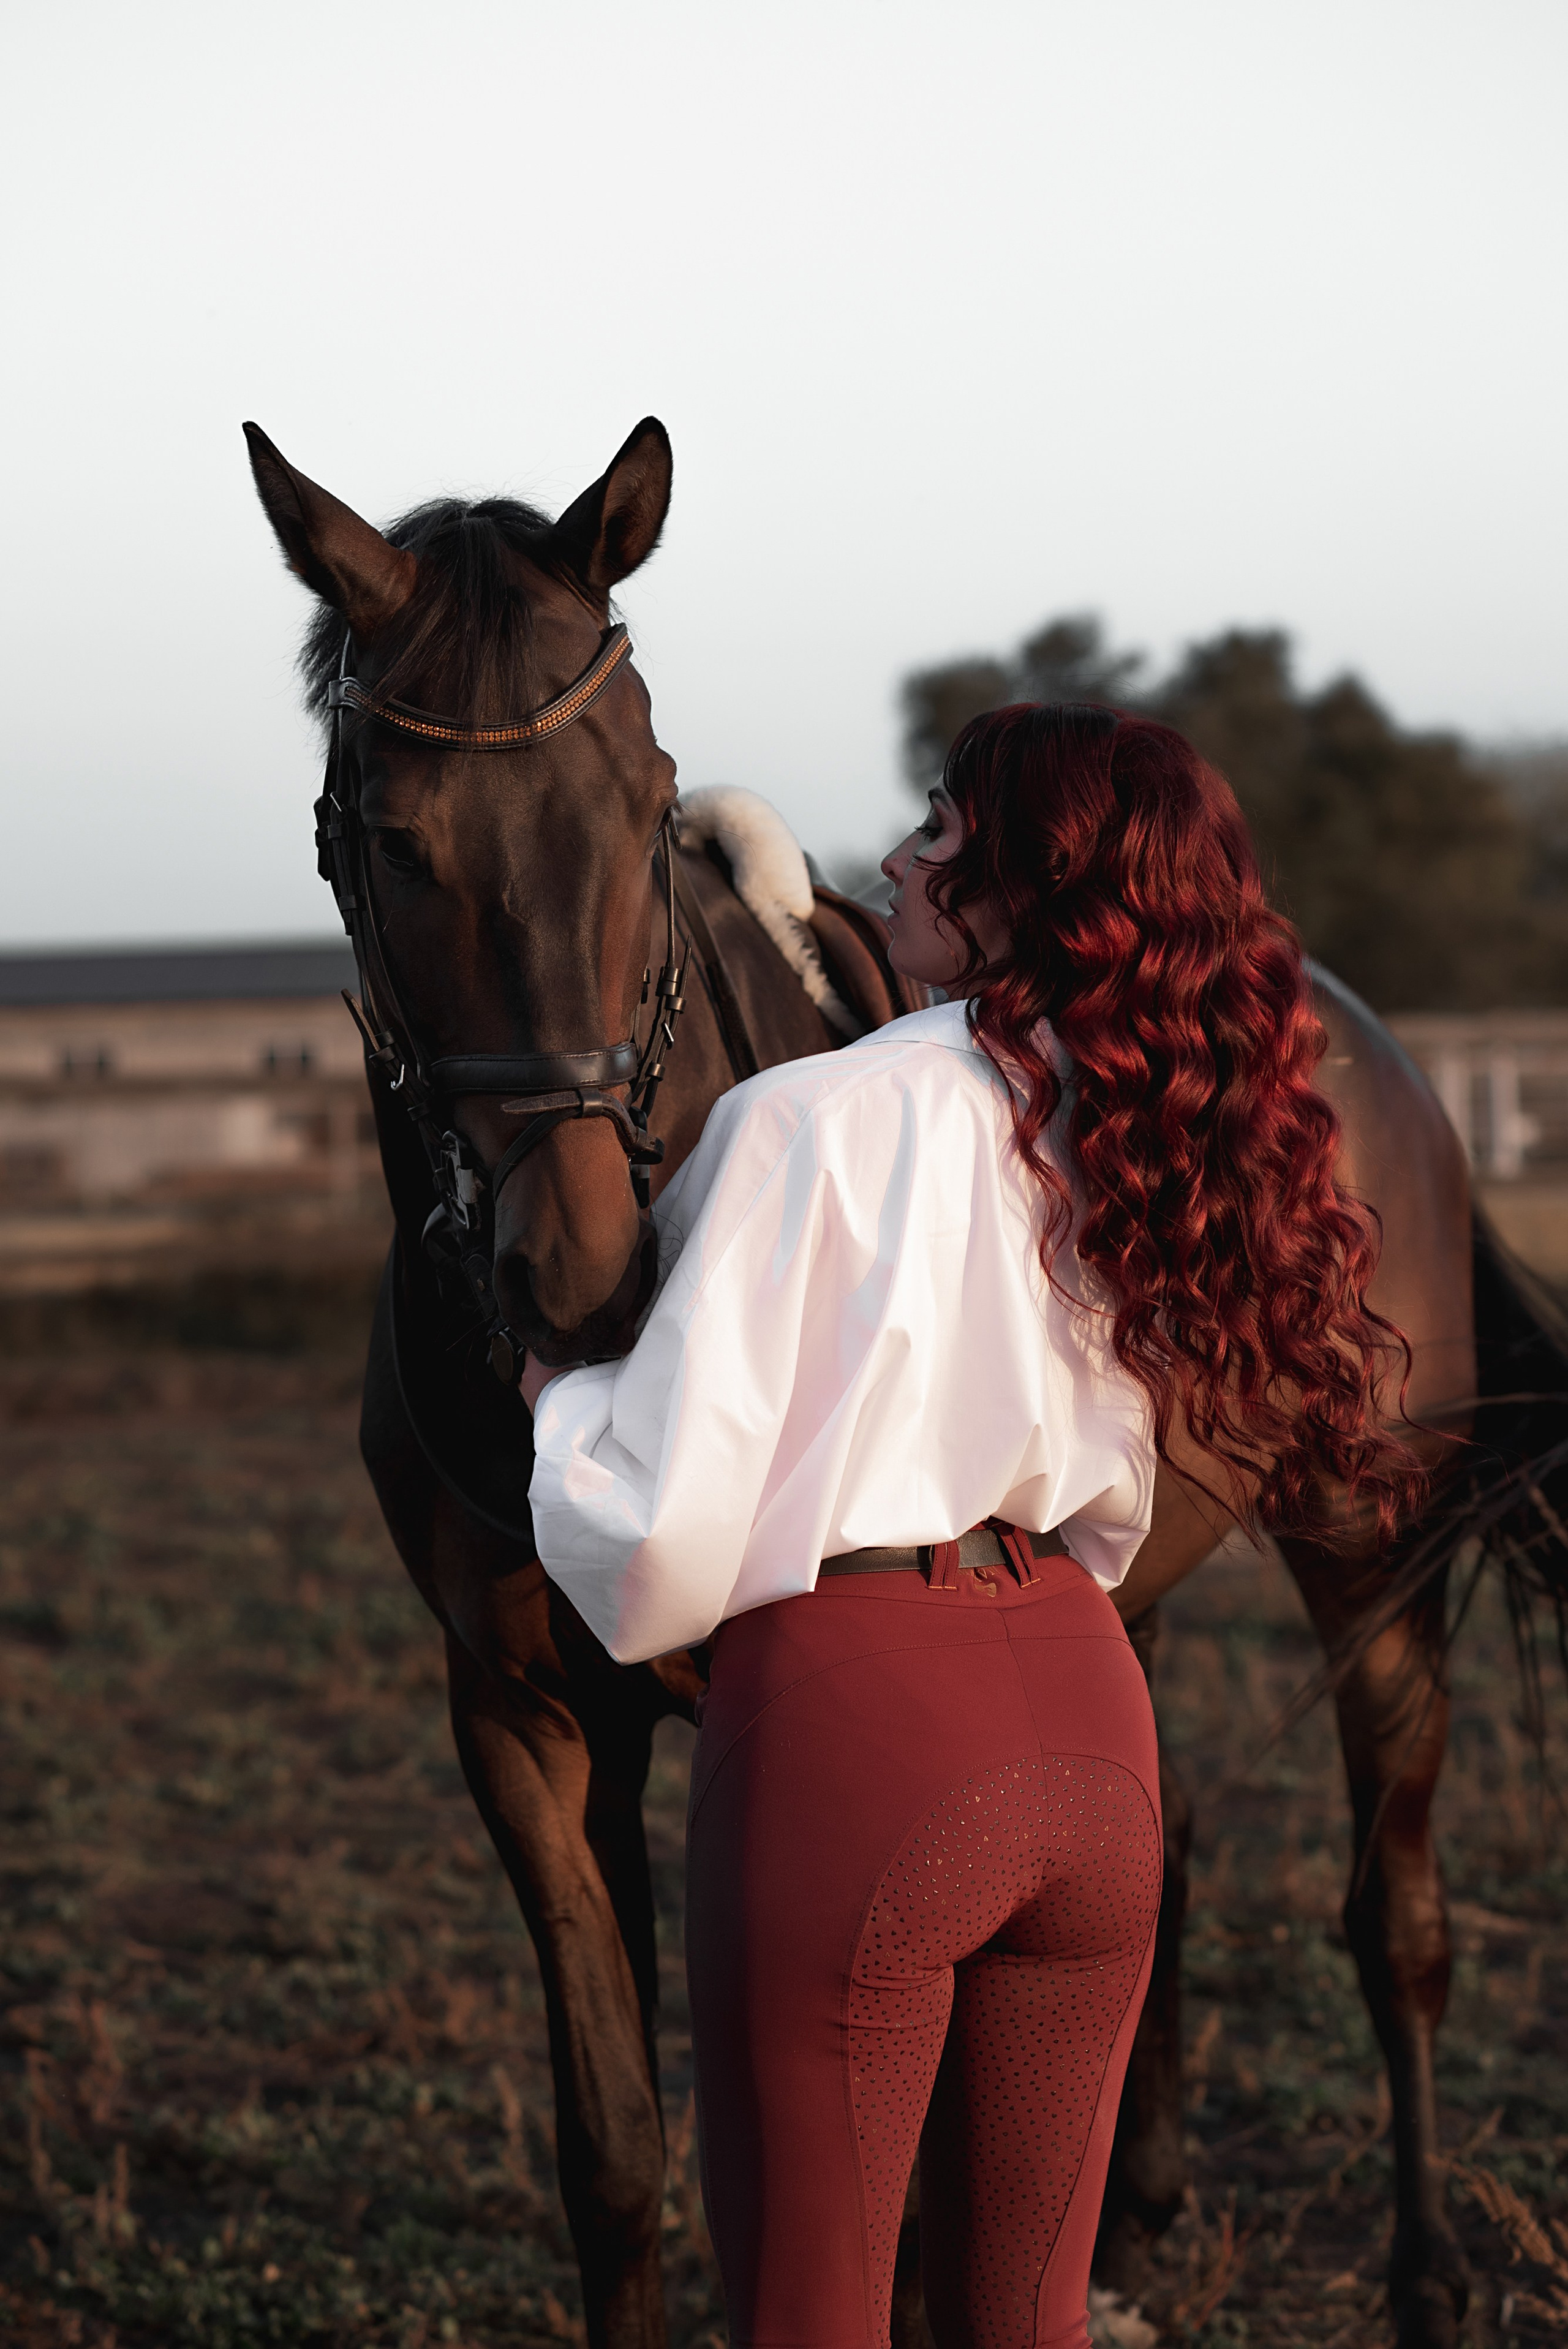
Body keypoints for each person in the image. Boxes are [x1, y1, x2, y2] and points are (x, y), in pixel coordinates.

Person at [522, 703, 1424, 2349]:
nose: (891, 857)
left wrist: (554, 1403)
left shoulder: (811, 1119)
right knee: (1030, 2319)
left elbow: (660, 1533)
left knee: (813, 2316)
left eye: (937, 831)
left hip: (854, 1735)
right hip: (1090, 1726)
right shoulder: (1152, 1125)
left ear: (1026, 887)